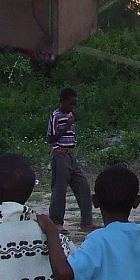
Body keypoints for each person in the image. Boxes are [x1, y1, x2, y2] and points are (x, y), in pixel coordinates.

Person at [47, 87, 94, 230]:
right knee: (59, 190)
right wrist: (66, 127)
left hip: (71, 155)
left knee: (84, 186)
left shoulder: (70, 115)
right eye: (70, 104)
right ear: (63, 102)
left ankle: (86, 222)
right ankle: (56, 223)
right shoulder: (55, 116)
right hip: (60, 155)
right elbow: (50, 138)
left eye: (74, 104)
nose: (72, 107)